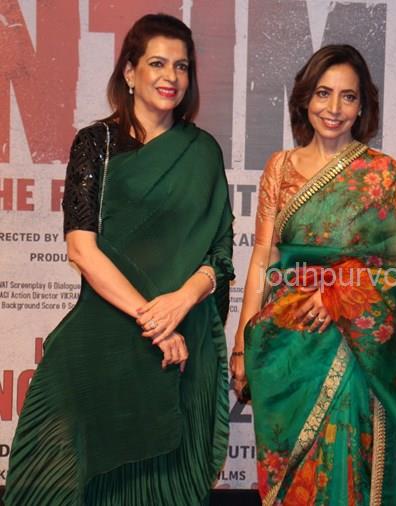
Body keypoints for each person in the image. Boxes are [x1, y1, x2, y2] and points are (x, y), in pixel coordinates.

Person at [3, 13, 234, 505]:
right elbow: (81, 248)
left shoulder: (203, 152)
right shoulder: (96, 144)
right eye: (157, 63)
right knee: (61, 482)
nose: (171, 76)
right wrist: (155, 321)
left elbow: (220, 252)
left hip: (181, 349)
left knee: (161, 486)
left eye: (181, 66)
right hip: (105, 340)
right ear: (130, 72)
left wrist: (180, 302)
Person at [230, 44, 396, 505]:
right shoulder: (279, 168)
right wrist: (242, 342)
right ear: (306, 98)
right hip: (287, 343)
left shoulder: (382, 172)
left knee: (347, 461)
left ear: (362, 106)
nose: (334, 108)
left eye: (348, 96)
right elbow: (263, 256)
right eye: (324, 93)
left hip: (353, 347)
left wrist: (339, 297)